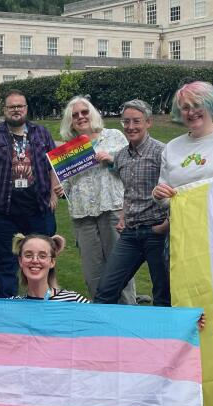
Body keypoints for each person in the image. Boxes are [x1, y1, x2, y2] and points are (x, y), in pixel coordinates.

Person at [0, 90, 61, 297]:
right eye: (11, 107)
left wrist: (54, 194)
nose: (16, 110)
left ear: (26, 108)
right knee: (3, 263)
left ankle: (42, 300)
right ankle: (8, 304)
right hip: (3, 209)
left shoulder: (41, 133)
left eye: (20, 106)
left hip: (38, 208)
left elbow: (53, 165)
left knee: (42, 259)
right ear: (4, 110)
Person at [58, 96, 135, 304]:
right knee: (93, 273)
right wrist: (58, 188)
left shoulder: (114, 136)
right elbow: (65, 185)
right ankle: (101, 320)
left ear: (92, 113)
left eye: (84, 112)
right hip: (83, 216)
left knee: (120, 268)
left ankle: (130, 314)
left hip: (112, 210)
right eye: (75, 115)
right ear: (70, 122)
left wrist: (111, 160)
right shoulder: (68, 149)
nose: (81, 117)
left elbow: (130, 168)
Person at [95, 100, 170, 306]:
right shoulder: (120, 157)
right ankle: (104, 336)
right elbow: (128, 190)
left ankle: (162, 337)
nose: (130, 127)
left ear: (148, 123)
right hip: (131, 234)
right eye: (126, 122)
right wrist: (123, 215)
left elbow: (175, 192)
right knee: (106, 290)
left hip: (157, 231)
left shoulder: (162, 152)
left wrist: (165, 227)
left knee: (163, 296)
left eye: (136, 121)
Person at [11, 233, 88, 302]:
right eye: (28, 255)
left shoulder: (74, 301)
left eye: (42, 256)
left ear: (52, 262)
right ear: (20, 261)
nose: (35, 260)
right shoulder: (12, 306)